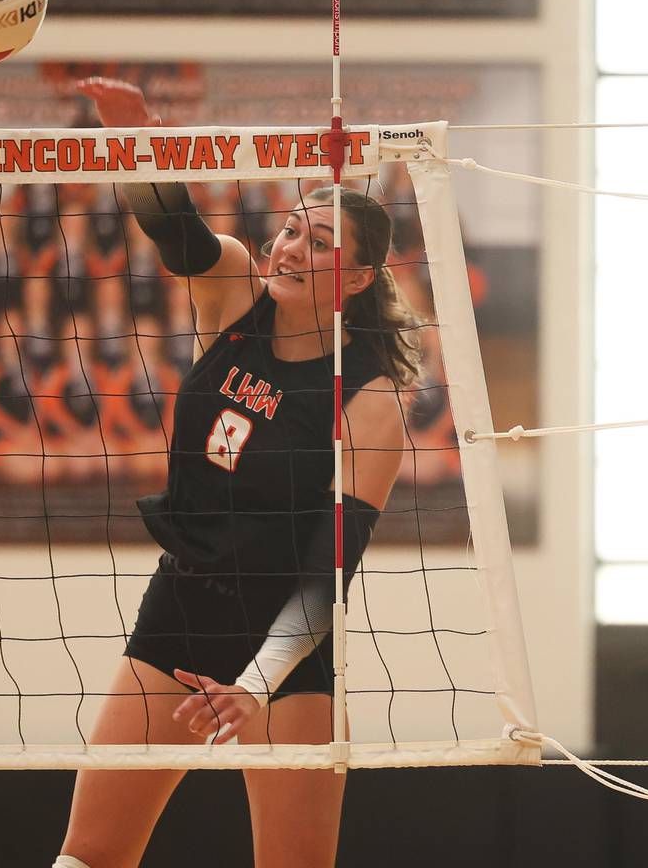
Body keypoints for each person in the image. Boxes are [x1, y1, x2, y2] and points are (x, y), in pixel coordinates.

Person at [54, 77, 419, 868]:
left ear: (356, 279)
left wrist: (255, 682)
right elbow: (175, 228)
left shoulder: (372, 396)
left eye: (320, 244)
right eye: (292, 229)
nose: (290, 248)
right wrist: (136, 142)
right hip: (182, 605)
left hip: (285, 634)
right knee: (85, 860)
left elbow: (331, 570)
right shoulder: (230, 293)